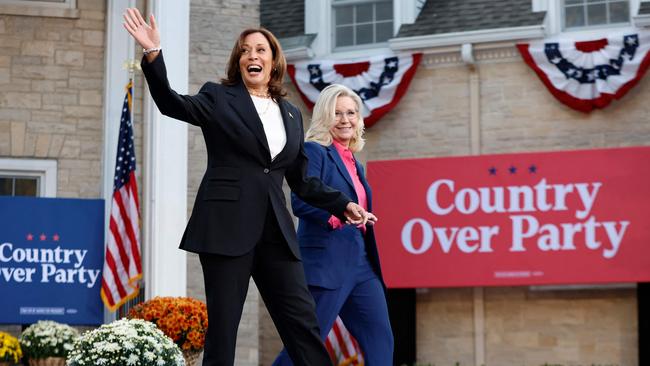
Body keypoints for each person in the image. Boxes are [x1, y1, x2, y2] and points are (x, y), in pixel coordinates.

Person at [122, 8, 373, 366]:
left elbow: (301, 179)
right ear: (238, 61)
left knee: (302, 323)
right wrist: (153, 54)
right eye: (245, 50)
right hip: (227, 227)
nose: (252, 55)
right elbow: (171, 103)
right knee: (224, 328)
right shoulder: (219, 98)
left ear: (273, 62)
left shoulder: (290, 114)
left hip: (275, 231)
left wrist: (342, 204)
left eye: (260, 50)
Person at [273, 84, 393, 366]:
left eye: (351, 113)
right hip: (326, 263)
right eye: (337, 113)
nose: (345, 119)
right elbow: (302, 201)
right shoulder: (314, 152)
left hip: (362, 264)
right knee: (304, 345)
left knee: (381, 339)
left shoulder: (355, 163)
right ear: (325, 117)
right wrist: (340, 215)